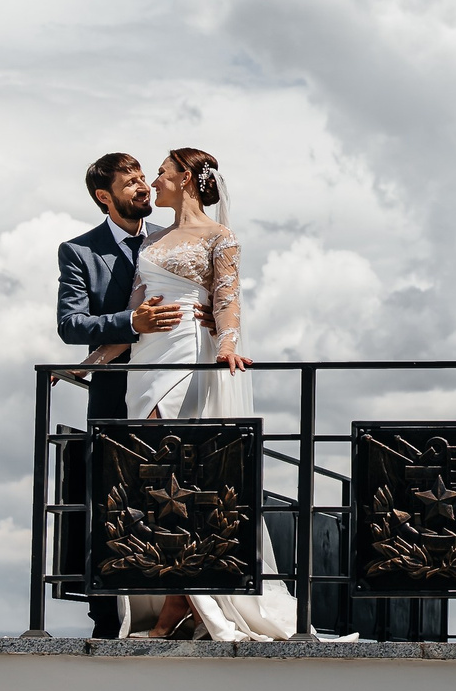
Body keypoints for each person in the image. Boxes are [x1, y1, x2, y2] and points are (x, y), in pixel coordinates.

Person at [118, 147, 297, 643]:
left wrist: (228, 346)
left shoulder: (220, 237)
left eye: (162, 172)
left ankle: (178, 605)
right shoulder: (152, 240)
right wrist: (86, 364)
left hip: (188, 356)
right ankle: (178, 598)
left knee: (182, 476)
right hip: (147, 360)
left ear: (188, 179)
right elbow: (136, 308)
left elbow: (227, 296)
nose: (154, 181)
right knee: (153, 480)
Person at [56, 152, 210, 639]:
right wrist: (129, 323)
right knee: (114, 504)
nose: (144, 188)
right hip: (113, 398)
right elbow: (70, 325)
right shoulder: (79, 251)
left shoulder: (173, 239)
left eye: (145, 178)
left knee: (186, 496)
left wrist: (203, 317)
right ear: (105, 197)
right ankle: (107, 619)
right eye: (130, 182)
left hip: (178, 386)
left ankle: (184, 607)